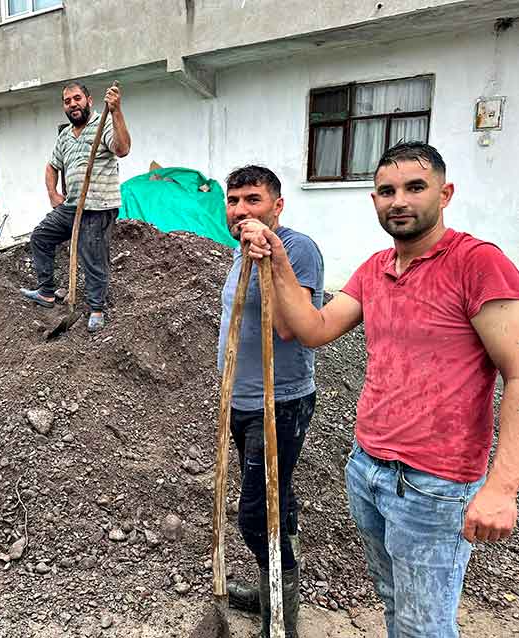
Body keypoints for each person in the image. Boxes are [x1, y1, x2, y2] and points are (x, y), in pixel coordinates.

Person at [239, 142, 519, 638]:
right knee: (394, 605)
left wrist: (502, 487)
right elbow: (315, 327)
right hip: (368, 469)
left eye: (415, 187)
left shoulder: (477, 264)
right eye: (386, 191)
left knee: (423, 628)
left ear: (445, 193)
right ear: (374, 201)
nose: (399, 201)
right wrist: (278, 256)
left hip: (436, 484)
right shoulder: (375, 269)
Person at [218, 166, 324, 637]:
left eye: (253, 200)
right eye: (233, 200)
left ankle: (282, 619)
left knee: (259, 511)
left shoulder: (296, 249)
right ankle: (270, 590)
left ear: (277, 206)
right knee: (271, 500)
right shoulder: (240, 253)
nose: (241, 210)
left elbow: (288, 327)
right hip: (241, 402)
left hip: (276, 403)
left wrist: (270, 257)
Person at [19, 81, 131, 332]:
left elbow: (122, 149)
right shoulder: (65, 135)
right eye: (68, 101)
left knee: (91, 253)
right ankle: (47, 292)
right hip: (72, 206)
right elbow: (52, 166)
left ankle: (97, 308)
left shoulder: (104, 123)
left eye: (77, 99)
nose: (73, 104)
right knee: (41, 237)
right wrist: (53, 193)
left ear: (89, 101)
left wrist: (116, 111)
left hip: (99, 206)